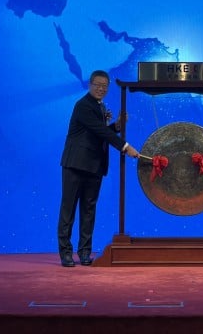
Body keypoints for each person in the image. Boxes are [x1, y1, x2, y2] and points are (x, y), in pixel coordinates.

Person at [58, 70, 139, 267]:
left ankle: (85, 252)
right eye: (98, 85)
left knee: (88, 210)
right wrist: (125, 147)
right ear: (90, 85)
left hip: (94, 166)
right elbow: (99, 130)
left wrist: (117, 126)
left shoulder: (99, 107)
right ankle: (66, 253)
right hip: (76, 165)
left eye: (105, 86)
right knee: (68, 210)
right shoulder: (83, 105)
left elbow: (98, 133)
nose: (101, 89)